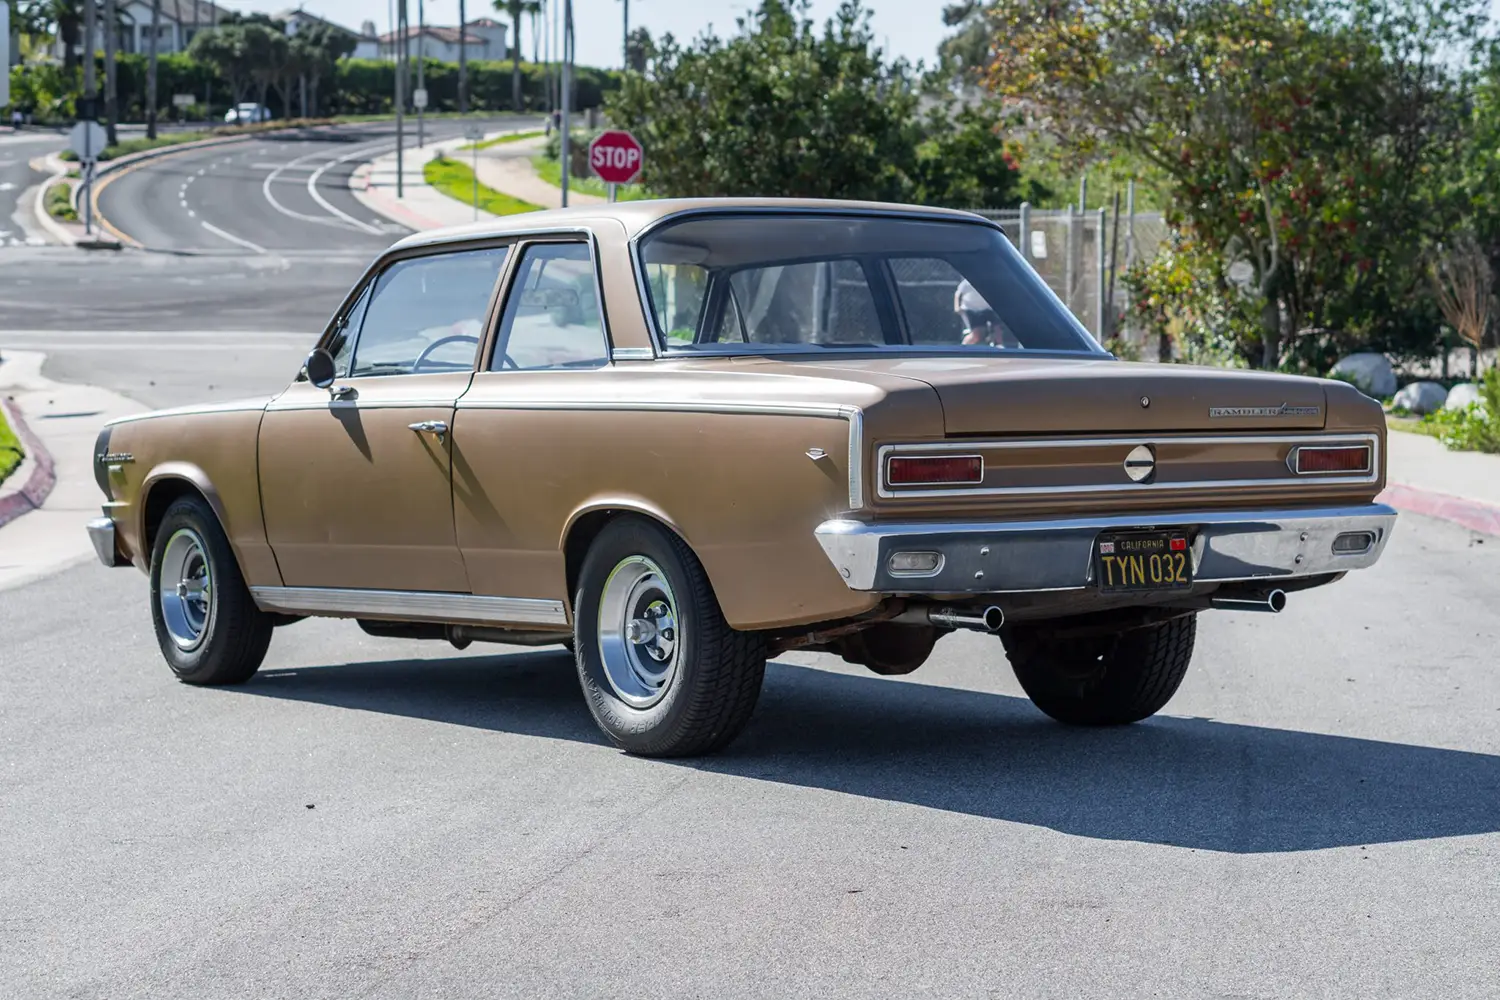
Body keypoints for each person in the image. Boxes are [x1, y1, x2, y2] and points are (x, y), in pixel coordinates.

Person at [953, 277, 1018, 347]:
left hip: (988, 309)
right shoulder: (968, 282)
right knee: (977, 335)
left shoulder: (991, 281)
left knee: (998, 326)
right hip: (972, 310)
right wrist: (956, 306)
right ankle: (963, 348)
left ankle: (999, 345)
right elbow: (958, 293)